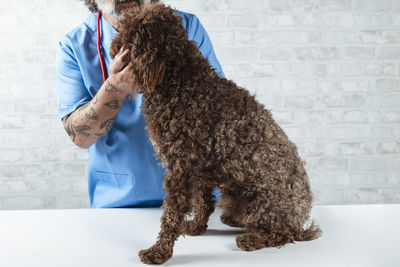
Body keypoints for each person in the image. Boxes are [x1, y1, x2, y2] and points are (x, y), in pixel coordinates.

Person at [56, 0, 225, 208]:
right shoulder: (74, 45)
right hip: (119, 202)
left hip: (195, 201)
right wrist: (115, 87)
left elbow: (220, 110)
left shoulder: (186, 27)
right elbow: (79, 137)